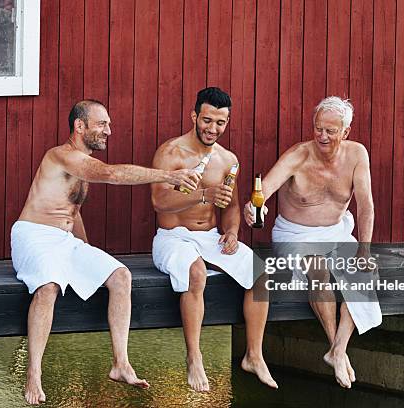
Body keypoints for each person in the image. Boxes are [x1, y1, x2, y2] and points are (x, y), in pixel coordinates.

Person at [11, 99, 200, 405]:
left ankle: (120, 363)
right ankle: (33, 373)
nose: (108, 131)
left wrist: (86, 250)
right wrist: (168, 176)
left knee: (120, 276)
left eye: (109, 125)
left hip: (65, 239)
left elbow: (73, 214)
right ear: (79, 126)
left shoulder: (80, 165)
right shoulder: (61, 155)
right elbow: (111, 174)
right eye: (102, 124)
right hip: (33, 235)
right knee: (48, 288)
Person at [243, 96, 382, 389]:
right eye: (319, 128)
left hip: (336, 232)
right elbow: (263, 191)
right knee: (318, 271)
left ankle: (338, 350)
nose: (322, 136)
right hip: (296, 235)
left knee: (365, 273)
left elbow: (366, 205)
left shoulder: (357, 155)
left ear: (345, 132)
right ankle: (336, 347)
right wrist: (256, 208)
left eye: (331, 131)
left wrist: (364, 250)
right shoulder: (298, 155)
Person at [151, 87, 277, 392]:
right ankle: (194, 357)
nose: (212, 129)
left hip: (210, 237)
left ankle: (253, 355)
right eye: (207, 120)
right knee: (196, 273)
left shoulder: (228, 160)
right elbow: (159, 202)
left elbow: (231, 207)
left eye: (220, 123)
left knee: (260, 273)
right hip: (173, 237)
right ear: (195, 116)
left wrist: (232, 232)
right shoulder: (171, 152)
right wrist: (204, 194)